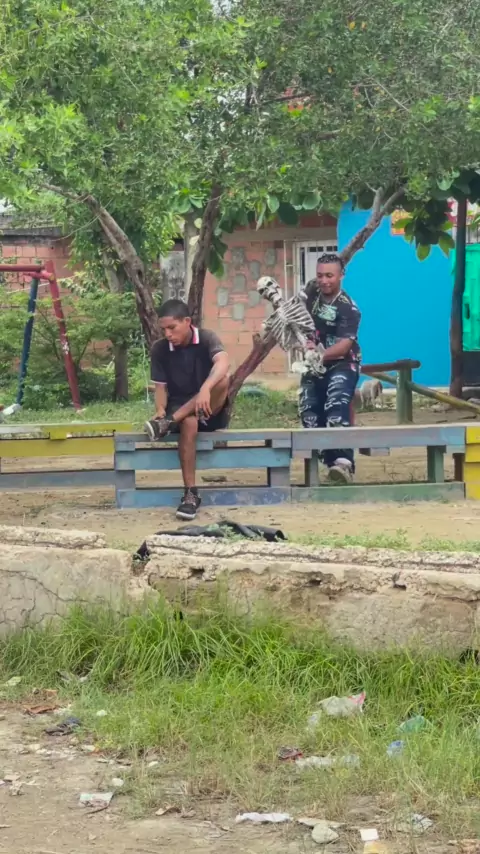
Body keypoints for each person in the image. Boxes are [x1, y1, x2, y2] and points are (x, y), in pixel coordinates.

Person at [144, 299, 230, 520]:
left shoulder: (207, 338)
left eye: (172, 328)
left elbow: (223, 362)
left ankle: (168, 423)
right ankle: (191, 494)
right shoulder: (160, 349)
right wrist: (160, 410)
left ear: (187, 321)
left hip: (211, 408)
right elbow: (160, 387)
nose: (168, 334)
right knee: (189, 422)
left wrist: (205, 389)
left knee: (223, 380)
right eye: (164, 329)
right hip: (180, 409)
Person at [300, 252, 361, 484]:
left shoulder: (349, 308)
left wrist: (318, 355)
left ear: (341, 275)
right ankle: (328, 463)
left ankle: (344, 463)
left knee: (336, 406)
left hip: (343, 363)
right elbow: (300, 322)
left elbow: (344, 346)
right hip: (314, 362)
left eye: (329, 276)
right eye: (320, 275)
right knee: (309, 412)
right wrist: (305, 343)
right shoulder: (311, 294)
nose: (324, 281)